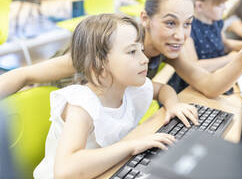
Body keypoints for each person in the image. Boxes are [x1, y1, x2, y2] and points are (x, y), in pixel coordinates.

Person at [0, 0, 242, 99]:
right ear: (145, 19)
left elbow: (208, 85)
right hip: (59, 97)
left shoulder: (170, 48)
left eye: (187, 24)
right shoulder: (110, 43)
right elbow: (26, 75)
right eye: (170, 23)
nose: (180, 35)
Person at [33, 14, 198, 179]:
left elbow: (163, 89)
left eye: (141, 50)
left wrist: (172, 105)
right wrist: (131, 146)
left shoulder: (130, 88)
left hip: (109, 170)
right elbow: (65, 171)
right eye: (132, 51)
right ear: (99, 64)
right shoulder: (82, 103)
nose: (145, 59)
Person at [168, 0, 242, 93]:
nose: (224, 7)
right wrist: (232, 59)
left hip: (216, 75)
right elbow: (194, 67)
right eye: (220, 4)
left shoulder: (215, 20)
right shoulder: (187, 28)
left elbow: (223, 44)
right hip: (192, 86)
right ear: (200, 6)